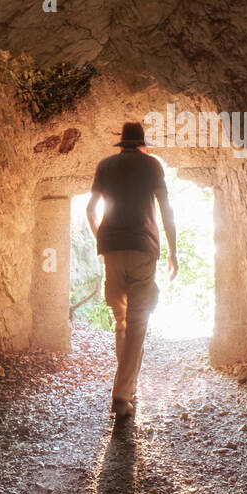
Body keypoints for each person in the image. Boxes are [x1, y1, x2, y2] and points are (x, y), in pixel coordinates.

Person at [85, 121, 178, 418]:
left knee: (121, 320)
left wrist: (102, 238)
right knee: (138, 321)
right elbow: (165, 209)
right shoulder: (152, 166)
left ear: (121, 144)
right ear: (143, 145)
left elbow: (91, 210)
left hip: (111, 249)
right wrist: (173, 250)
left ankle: (126, 389)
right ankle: (122, 394)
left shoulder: (105, 166)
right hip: (143, 248)